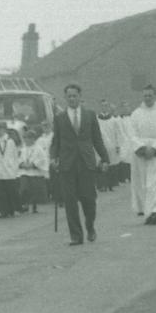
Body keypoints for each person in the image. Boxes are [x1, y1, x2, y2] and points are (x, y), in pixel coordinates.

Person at [49, 84, 110, 245]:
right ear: (65, 98)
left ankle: (90, 226)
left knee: (89, 199)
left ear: (80, 97)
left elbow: (97, 139)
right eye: (69, 96)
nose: (72, 99)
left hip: (86, 163)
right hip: (67, 165)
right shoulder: (60, 118)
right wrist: (53, 157)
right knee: (70, 202)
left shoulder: (90, 115)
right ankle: (76, 235)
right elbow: (56, 141)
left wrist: (105, 159)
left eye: (74, 96)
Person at [127, 85, 156, 225]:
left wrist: (155, 148)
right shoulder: (136, 113)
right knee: (144, 183)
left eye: (150, 95)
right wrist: (141, 148)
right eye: (145, 95)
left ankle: (155, 211)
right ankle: (147, 211)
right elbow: (131, 133)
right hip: (141, 152)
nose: (147, 98)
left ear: (155, 96)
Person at [18, 129, 49, 213]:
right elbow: (18, 158)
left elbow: (43, 159)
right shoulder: (23, 149)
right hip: (25, 172)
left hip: (35, 172)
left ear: (32, 139)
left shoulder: (38, 149)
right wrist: (21, 164)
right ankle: (25, 204)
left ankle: (34, 205)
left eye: (28, 138)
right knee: (24, 188)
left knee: (34, 190)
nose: (26, 140)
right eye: (25, 138)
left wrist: (33, 164)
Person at [96, 100, 119, 192]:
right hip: (101, 145)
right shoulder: (97, 119)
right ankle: (101, 185)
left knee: (110, 164)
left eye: (106, 106)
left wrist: (117, 145)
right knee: (101, 164)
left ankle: (110, 184)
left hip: (111, 145)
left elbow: (117, 133)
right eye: (102, 106)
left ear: (108, 107)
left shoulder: (113, 120)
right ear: (100, 107)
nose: (104, 107)